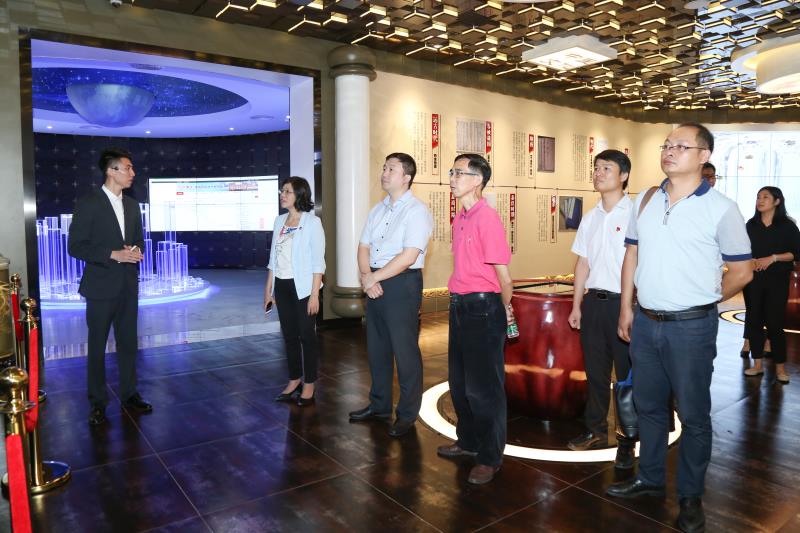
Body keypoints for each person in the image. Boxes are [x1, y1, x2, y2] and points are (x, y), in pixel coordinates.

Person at [607, 123, 752, 533]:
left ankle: (690, 497)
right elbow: (631, 256)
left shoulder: (722, 208)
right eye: (667, 145)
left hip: (691, 328)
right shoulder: (646, 199)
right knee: (649, 407)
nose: (669, 151)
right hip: (646, 322)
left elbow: (742, 272)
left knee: (693, 415)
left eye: (681, 146)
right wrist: (626, 308)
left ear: (704, 156)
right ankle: (650, 479)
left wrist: (704, 300)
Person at [436, 153, 513, 485]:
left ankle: (490, 457)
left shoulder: (487, 218)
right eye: (451, 172)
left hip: (483, 309)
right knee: (459, 383)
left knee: (485, 390)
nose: (452, 178)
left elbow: (504, 276)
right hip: (459, 306)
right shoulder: (461, 218)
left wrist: (505, 310)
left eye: (459, 173)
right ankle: (467, 441)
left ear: (478, 179)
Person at [349, 153, 433, 437]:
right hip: (374, 280)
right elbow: (363, 247)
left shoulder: (417, 211)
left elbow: (409, 256)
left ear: (406, 177)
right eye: (384, 168)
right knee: (377, 348)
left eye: (391, 169)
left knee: (404, 351)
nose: (384, 173)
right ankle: (379, 405)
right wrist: (366, 276)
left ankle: (407, 414)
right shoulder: (378, 209)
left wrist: (374, 277)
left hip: (401, 283)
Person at [68, 148, 151, 426]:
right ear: (111, 171)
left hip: (128, 285)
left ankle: (130, 394)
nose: (132, 173)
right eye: (128, 168)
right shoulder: (89, 203)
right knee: (97, 347)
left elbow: (138, 240)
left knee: (128, 344)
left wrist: (135, 250)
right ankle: (97, 402)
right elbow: (75, 246)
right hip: (100, 287)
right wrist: (114, 254)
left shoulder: (132, 205)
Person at [566, 149, 635, 468]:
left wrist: (630, 307)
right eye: (596, 168)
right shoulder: (590, 217)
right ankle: (595, 430)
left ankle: (628, 439)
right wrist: (577, 304)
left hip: (626, 304)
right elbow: (583, 263)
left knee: (627, 376)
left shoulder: (635, 213)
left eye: (607, 168)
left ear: (624, 175)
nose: (598, 173)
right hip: (594, 303)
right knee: (595, 373)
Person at [265, 177, 325, 406]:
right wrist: (268, 290)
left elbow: (318, 262)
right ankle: (294, 379)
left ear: (299, 194)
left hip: (303, 288)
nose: (283, 195)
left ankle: (309, 384)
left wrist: (314, 295)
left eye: (287, 191)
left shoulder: (312, 223)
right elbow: (273, 258)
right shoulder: (279, 221)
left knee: (306, 336)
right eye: (282, 191)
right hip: (282, 286)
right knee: (289, 336)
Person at [742, 186, 800, 384]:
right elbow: (741, 249)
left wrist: (773, 258)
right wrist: (749, 260)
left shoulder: (787, 226)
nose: (760, 200)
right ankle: (757, 365)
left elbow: (796, 253)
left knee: (775, 323)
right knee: (754, 321)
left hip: (777, 280)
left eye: (765, 197)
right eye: (758, 197)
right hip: (753, 280)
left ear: (777, 201)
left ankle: (780, 368)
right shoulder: (751, 225)